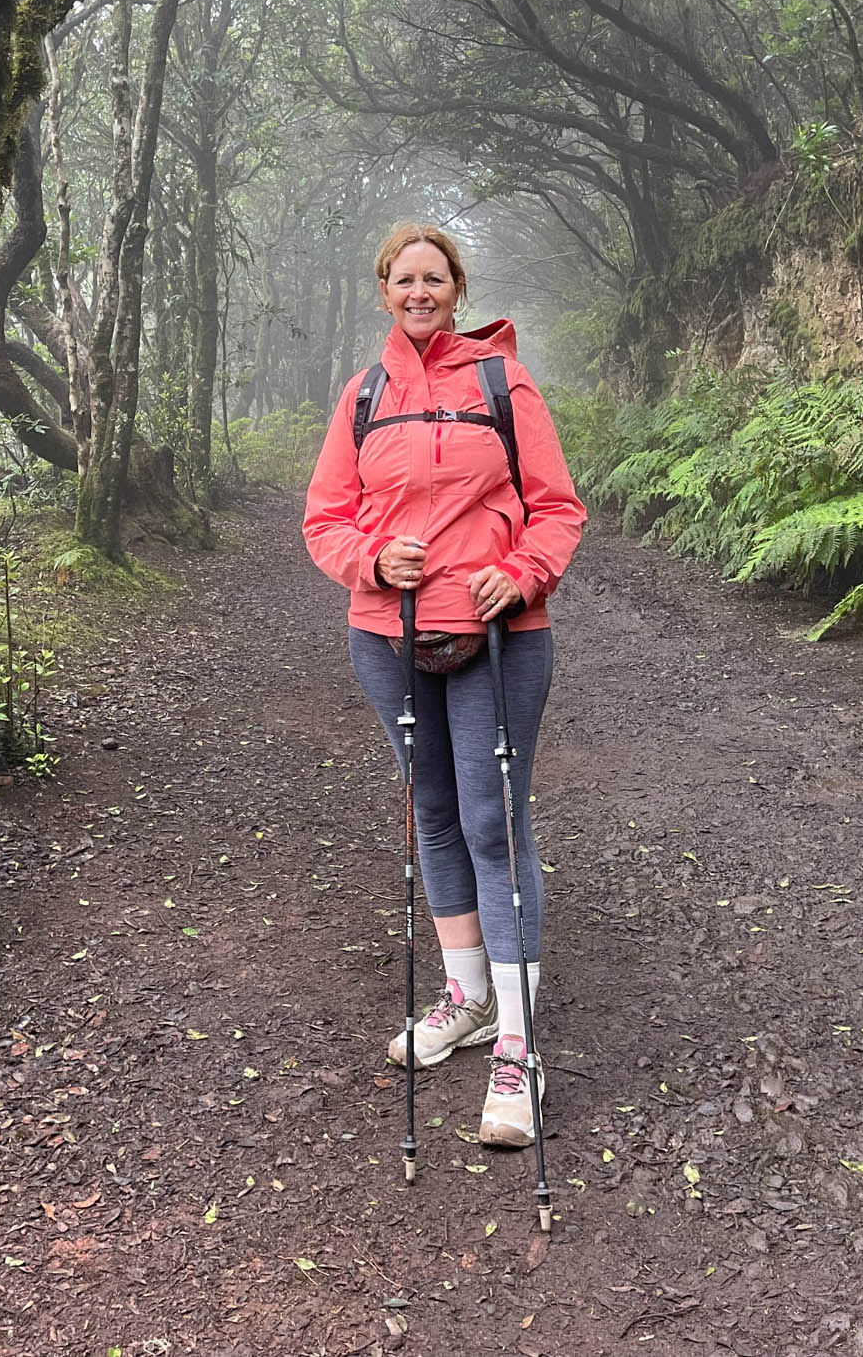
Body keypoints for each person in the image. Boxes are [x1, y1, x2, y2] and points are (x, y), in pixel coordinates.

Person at [303, 222, 586, 1147]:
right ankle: (464, 998)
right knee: (430, 813)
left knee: (492, 820)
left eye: (434, 278)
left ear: (457, 286)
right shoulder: (362, 397)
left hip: (501, 635)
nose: (418, 292)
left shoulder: (504, 384)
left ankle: (517, 1041)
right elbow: (325, 521)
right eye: (402, 279)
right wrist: (374, 562)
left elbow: (556, 508)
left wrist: (526, 569)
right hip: (386, 634)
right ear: (384, 290)